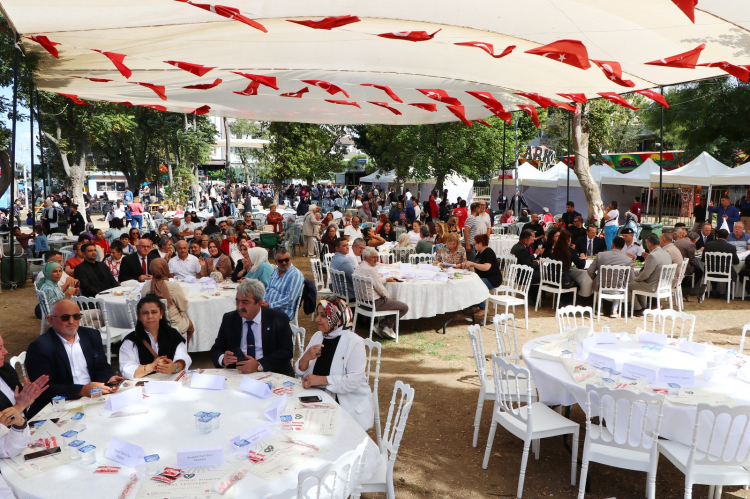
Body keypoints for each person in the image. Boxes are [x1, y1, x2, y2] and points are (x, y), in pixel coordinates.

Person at [26, 299, 124, 418]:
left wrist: (108, 378)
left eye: (76, 316)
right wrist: (81, 390)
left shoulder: (91, 335)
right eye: (65, 317)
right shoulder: (40, 347)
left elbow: (101, 365)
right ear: (50, 320)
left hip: (93, 399)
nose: (71, 321)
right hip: (60, 406)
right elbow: (45, 388)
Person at [296, 299, 374, 430]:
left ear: (336, 318)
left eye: (323, 315)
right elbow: (300, 371)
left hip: (345, 404)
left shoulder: (354, 342)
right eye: (318, 314)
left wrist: (320, 380)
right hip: (318, 398)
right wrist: (305, 358)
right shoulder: (318, 336)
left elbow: (353, 382)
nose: (317, 319)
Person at [211, 278, 294, 375]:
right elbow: (216, 349)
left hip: (270, 371)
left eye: (245, 302)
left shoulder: (277, 319)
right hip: (238, 373)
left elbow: (286, 351)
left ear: (259, 303)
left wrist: (259, 365)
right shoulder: (229, 319)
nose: (239, 307)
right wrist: (223, 359)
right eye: (237, 301)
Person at [119, 294, 191, 379]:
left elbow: (183, 357)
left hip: (170, 381)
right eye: (145, 313)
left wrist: (174, 367)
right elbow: (126, 370)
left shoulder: (172, 335)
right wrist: (151, 367)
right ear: (139, 316)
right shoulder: (131, 341)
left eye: (154, 312)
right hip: (143, 383)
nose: (150, 316)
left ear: (161, 313)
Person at [354, 248, 409, 339]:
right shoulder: (370, 270)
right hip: (373, 303)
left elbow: (372, 281)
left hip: (362, 303)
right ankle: (382, 325)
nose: (376, 260)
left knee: (393, 302)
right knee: (404, 307)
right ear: (365, 258)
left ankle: (384, 326)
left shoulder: (359, 268)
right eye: (373, 257)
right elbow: (381, 289)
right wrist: (387, 297)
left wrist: (386, 279)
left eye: (377, 257)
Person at [142, 259, 195, 342]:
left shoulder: (145, 286)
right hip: (172, 323)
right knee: (190, 326)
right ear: (165, 269)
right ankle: (183, 348)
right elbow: (183, 307)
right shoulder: (173, 286)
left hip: (150, 322)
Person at [586, 236, 635, 318]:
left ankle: (600, 308)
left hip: (601, 287)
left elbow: (590, 271)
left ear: (613, 244)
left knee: (598, 281)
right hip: (618, 288)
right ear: (623, 247)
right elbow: (632, 279)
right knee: (618, 282)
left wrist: (595, 279)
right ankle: (614, 309)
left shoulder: (600, 255)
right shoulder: (628, 260)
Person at [460, 234, 503, 322]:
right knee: (471, 283)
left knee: (476, 285)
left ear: (480, 243)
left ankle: (483, 308)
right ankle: (475, 306)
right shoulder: (479, 253)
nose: (473, 246)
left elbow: (486, 267)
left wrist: (473, 264)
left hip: (493, 279)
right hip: (484, 277)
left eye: (474, 244)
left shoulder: (488, 252)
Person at [629, 234, 672, 317]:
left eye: (646, 243)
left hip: (652, 285)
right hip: (664, 285)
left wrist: (636, 279)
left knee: (627, 286)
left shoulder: (653, 255)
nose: (646, 244)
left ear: (649, 244)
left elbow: (645, 274)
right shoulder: (666, 253)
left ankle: (638, 309)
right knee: (638, 283)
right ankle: (642, 307)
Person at [262, 249, 304, 320]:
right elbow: (268, 289)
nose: (284, 263)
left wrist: (270, 305)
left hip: (284, 311)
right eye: (280, 261)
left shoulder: (295, 275)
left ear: (290, 259)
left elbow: (290, 299)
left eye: (286, 260)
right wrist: (263, 301)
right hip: (268, 308)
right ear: (276, 262)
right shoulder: (275, 271)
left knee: (257, 317)